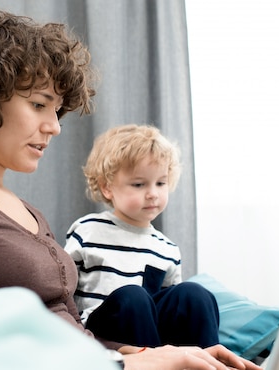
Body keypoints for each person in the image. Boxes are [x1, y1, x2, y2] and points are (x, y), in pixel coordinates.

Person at [0, 9, 261, 370]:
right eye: (39, 105)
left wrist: (138, 354)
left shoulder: (29, 213)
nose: (54, 127)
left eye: (56, 111)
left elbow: (71, 329)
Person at [64, 123, 220, 348]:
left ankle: (207, 362)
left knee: (194, 294)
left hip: (150, 337)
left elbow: (172, 313)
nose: (153, 194)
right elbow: (61, 291)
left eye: (161, 183)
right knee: (133, 297)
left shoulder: (167, 248)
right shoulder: (87, 230)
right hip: (101, 338)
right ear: (107, 187)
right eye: (139, 184)